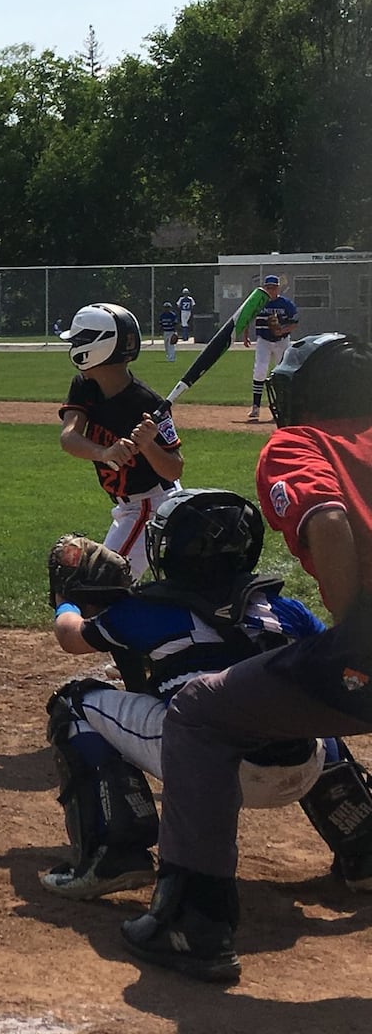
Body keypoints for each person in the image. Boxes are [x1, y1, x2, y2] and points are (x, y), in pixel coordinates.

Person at [121, 333, 372, 982]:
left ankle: (194, 922)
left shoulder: (299, 442)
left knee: (202, 713)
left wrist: (355, 635)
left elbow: (333, 521)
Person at [39, 497, 331, 903]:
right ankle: (362, 844)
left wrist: (68, 598)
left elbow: (72, 637)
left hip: (209, 770)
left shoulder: (150, 611)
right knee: (308, 700)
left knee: (73, 703)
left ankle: (114, 854)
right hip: (305, 769)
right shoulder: (286, 611)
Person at [57, 304, 184, 578]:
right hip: (128, 506)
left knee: (103, 585)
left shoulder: (148, 403)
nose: (74, 347)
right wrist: (105, 452)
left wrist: (148, 444)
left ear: (97, 347)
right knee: (109, 588)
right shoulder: (85, 386)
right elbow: (69, 438)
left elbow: (174, 470)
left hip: (152, 504)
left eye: (79, 341)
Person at [242, 273, 299, 421]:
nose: (271, 290)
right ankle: (255, 407)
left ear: (278, 288)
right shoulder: (259, 303)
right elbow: (248, 317)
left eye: (273, 287)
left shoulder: (286, 304)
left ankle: (282, 407)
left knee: (281, 373)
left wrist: (282, 330)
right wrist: (246, 335)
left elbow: (294, 323)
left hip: (282, 341)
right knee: (260, 371)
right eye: (268, 287)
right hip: (264, 341)